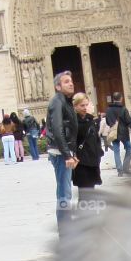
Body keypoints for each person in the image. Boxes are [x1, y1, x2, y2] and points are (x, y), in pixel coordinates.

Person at [46, 70, 78, 225]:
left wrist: (73, 152)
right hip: (59, 153)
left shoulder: (65, 101)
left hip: (63, 151)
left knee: (65, 191)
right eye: (66, 82)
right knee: (64, 194)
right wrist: (67, 155)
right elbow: (58, 129)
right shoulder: (57, 102)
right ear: (58, 87)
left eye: (71, 81)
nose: (71, 83)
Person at [71, 92, 102, 193]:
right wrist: (89, 116)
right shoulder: (73, 120)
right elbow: (81, 132)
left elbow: (95, 137)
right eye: (82, 105)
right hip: (82, 162)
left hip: (92, 160)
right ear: (75, 106)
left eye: (86, 105)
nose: (85, 108)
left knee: (91, 192)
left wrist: (99, 152)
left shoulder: (89, 119)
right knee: (85, 193)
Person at [104, 91, 131, 177]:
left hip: (113, 132)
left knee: (116, 151)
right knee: (129, 148)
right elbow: (128, 121)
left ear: (113, 99)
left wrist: (112, 125)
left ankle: (120, 170)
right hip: (123, 132)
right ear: (121, 98)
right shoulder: (123, 109)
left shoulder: (108, 109)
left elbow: (107, 121)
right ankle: (126, 167)